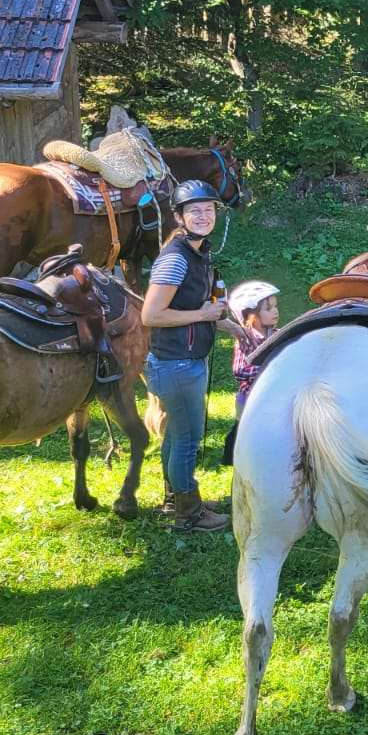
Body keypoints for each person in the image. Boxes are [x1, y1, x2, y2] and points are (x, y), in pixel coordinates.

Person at [140, 179, 240, 532]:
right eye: (194, 210)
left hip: (182, 362)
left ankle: (176, 500)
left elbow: (196, 306)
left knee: (176, 437)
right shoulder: (176, 258)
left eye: (209, 209)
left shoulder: (197, 252)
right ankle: (187, 513)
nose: (203, 215)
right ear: (179, 216)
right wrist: (204, 314)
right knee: (186, 441)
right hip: (176, 365)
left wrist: (228, 324)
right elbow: (151, 316)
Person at [219, 280, 281, 465]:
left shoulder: (277, 334)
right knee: (245, 435)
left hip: (272, 397)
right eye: (268, 308)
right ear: (251, 315)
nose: (275, 311)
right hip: (249, 400)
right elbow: (240, 370)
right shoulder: (245, 339)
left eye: (275, 306)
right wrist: (269, 368)